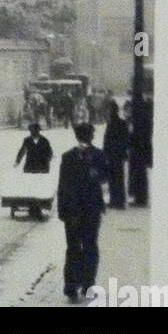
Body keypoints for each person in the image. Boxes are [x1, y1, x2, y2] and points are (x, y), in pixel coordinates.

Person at [57, 121, 108, 303]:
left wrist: (62, 211)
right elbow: (105, 178)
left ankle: (73, 286)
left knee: (74, 248)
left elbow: (62, 187)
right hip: (89, 210)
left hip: (75, 211)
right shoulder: (97, 155)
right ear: (91, 136)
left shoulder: (68, 157)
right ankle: (86, 285)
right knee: (89, 247)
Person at [15, 122, 54, 219]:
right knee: (31, 189)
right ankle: (32, 208)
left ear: (38, 131)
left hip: (42, 168)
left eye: (35, 131)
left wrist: (47, 160)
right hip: (30, 167)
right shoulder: (27, 140)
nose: (33, 133)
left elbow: (50, 152)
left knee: (39, 189)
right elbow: (22, 151)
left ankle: (37, 209)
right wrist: (17, 161)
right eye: (31, 131)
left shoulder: (44, 141)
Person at [102, 100, 128, 209]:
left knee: (113, 177)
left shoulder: (111, 123)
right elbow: (126, 139)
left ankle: (115, 200)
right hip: (118, 154)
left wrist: (105, 153)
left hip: (113, 154)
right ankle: (119, 200)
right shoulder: (122, 123)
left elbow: (107, 140)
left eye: (109, 110)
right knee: (118, 177)